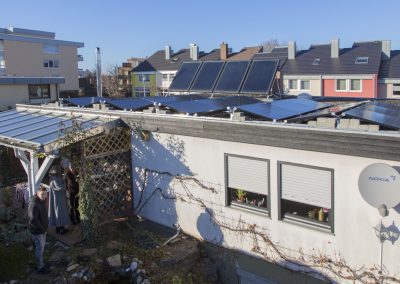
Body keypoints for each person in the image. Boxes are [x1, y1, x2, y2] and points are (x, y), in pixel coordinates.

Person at [28, 186, 48, 273]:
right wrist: (42, 228)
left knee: (42, 247)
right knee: (39, 248)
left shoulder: (42, 201)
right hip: (37, 230)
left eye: (45, 194)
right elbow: (33, 219)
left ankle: (41, 263)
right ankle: (40, 267)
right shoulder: (34, 204)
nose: (44, 196)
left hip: (43, 229)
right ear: (37, 193)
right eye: (42, 194)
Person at [48, 165, 70, 234]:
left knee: (56, 212)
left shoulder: (52, 178)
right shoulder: (57, 179)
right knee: (61, 213)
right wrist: (65, 175)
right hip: (59, 199)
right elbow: (61, 187)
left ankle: (58, 228)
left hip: (55, 199)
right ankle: (62, 229)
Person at [62, 159, 80, 224]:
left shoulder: (76, 173)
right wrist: (67, 190)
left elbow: (79, 181)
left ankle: (78, 218)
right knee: (71, 206)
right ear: (69, 167)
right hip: (71, 193)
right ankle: (72, 219)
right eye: (71, 167)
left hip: (77, 192)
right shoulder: (67, 175)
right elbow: (64, 183)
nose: (72, 168)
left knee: (77, 205)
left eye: (73, 167)